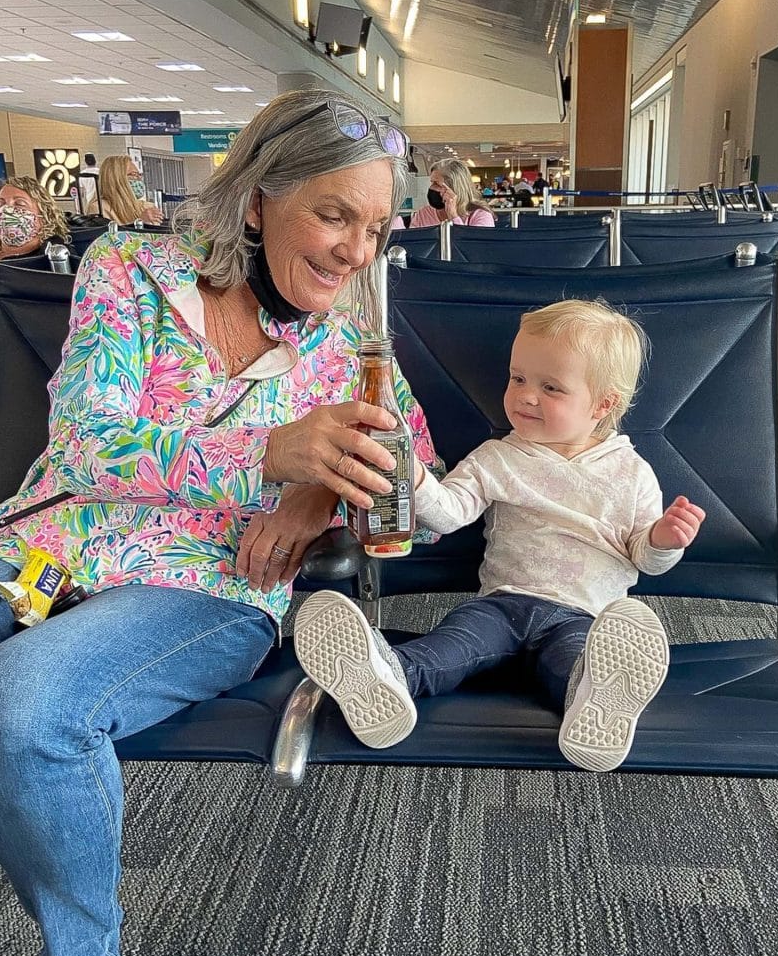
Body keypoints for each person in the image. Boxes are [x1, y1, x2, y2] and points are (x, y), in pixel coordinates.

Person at [0, 88, 436, 956]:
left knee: (16, 709)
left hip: (204, 587)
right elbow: (91, 437)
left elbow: (411, 470)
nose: (355, 249)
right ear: (259, 199)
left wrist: (321, 497)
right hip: (44, 554)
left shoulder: (353, 345)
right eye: (335, 215)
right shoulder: (127, 269)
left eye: (376, 228)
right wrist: (271, 457)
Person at [295, 298, 706, 773]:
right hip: (500, 605)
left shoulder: (632, 474)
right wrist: (417, 479)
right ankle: (385, 678)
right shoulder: (497, 457)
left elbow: (643, 559)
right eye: (518, 379)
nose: (526, 395)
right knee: (450, 648)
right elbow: (448, 514)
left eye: (551, 387)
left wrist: (662, 540)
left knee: (576, 665)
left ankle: (599, 703)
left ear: (603, 405)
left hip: (583, 616)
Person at [0, 176, 70, 260]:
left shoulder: (61, 256)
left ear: (44, 217)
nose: (6, 209)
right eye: (0, 204)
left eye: (20, 203)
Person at [409, 158, 496, 227]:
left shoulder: (481, 216)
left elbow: (472, 248)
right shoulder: (423, 214)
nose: (431, 188)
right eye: (431, 183)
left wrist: (453, 217)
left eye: (437, 184)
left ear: (455, 188)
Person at [92, 155, 165, 225]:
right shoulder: (99, 208)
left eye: (139, 175)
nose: (139, 179)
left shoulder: (146, 206)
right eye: (134, 174)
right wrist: (140, 222)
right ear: (116, 178)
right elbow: (105, 237)